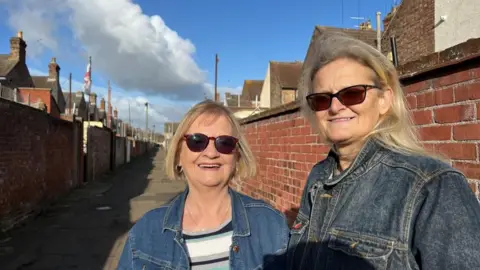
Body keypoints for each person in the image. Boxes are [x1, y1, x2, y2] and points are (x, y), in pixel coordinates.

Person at [286, 32, 480, 269]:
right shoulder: (319, 176)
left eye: (352, 93)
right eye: (322, 99)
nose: (335, 107)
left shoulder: (432, 186)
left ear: (384, 100)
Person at [117, 100, 289, 270]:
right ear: (178, 155)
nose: (211, 153)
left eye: (225, 143)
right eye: (197, 141)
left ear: (237, 156)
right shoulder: (144, 233)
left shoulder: (271, 225)